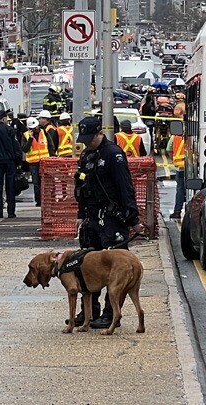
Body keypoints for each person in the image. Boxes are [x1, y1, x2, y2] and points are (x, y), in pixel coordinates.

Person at [74, 116, 143, 329]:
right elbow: (82, 188)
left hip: (113, 219)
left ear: (99, 133)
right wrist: (80, 214)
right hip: (92, 219)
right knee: (88, 266)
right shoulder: (86, 155)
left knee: (116, 269)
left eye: (89, 138)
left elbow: (125, 187)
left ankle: (111, 314)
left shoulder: (113, 155)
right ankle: (89, 312)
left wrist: (133, 219)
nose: (86, 143)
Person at [0, 109, 24, 219]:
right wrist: (18, 162)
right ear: (3, 118)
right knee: (10, 187)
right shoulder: (9, 130)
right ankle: (11, 211)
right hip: (10, 162)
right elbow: (16, 147)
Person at [23, 117, 52, 204]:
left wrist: (52, 157)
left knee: (45, 182)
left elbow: (50, 145)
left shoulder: (44, 133)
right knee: (36, 183)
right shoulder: (26, 135)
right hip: (33, 163)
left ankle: (46, 200)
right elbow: (25, 149)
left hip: (44, 161)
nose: (35, 129)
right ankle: (38, 201)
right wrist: (30, 139)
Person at [167, 131, 188, 219]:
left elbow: (169, 150)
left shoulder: (174, 137)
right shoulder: (192, 136)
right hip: (191, 167)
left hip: (180, 168)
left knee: (180, 189)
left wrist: (174, 160)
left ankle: (177, 211)